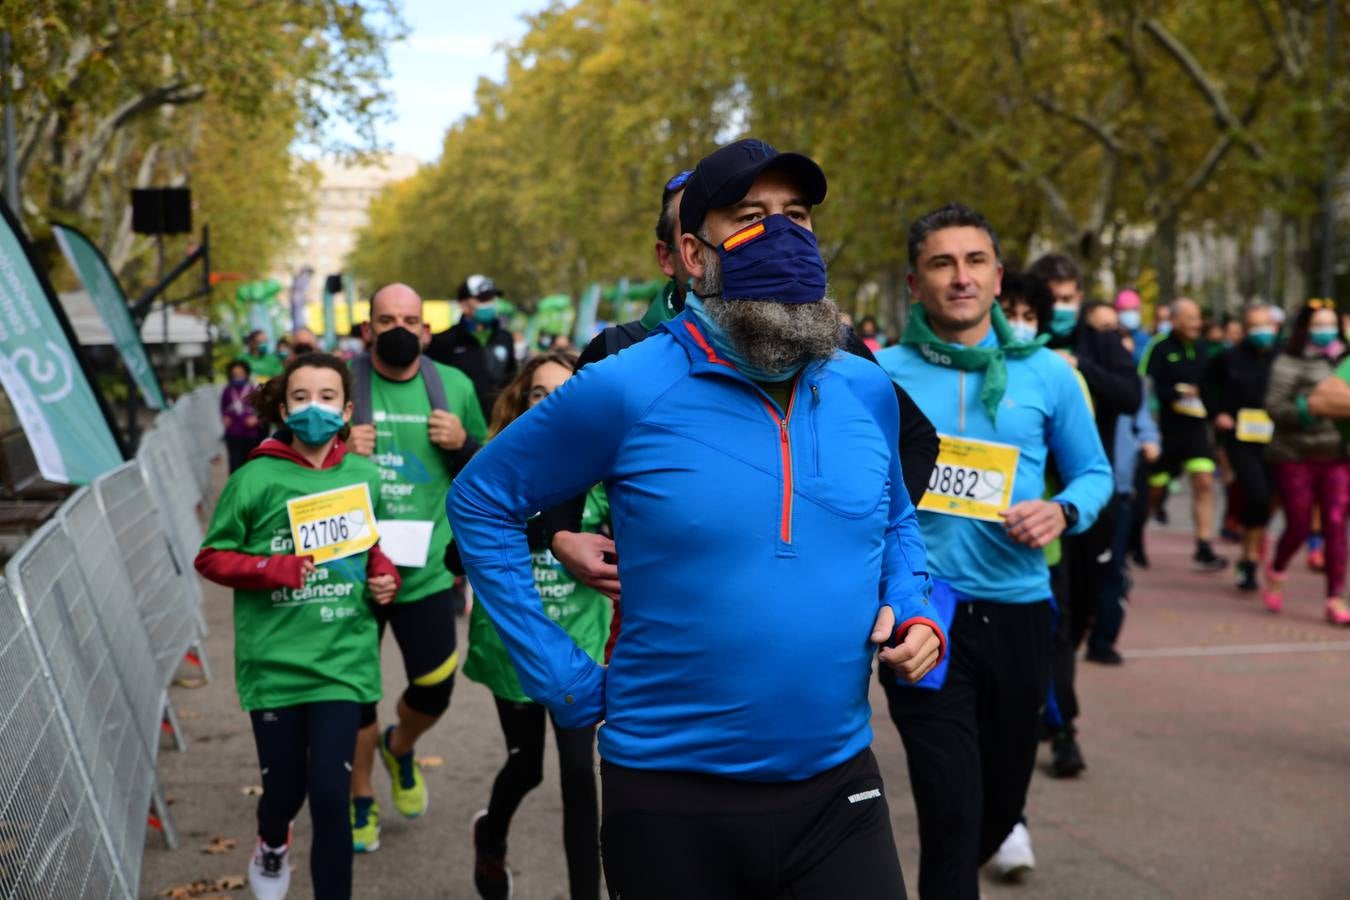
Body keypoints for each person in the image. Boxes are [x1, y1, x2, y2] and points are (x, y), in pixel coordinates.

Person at [450, 138, 943, 900]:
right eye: (751, 218)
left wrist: (914, 610)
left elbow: (895, 522)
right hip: (672, 796)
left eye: (797, 216)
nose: (782, 234)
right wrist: (560, 674)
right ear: (691, 251)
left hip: (840, 786)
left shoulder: (863, 388)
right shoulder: (623, 386)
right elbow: (480, 501)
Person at [874, 203, 1113, 899]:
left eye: (974, 261)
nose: (960, 277)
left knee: (998, 807)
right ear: (913, 284)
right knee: (949, 811)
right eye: (941, 263)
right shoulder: (874, 374)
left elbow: (1095, 473)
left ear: (999, 276)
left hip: (1017, 609)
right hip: (925, 613)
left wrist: (1060, 509)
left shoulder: (1048, 376)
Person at [194, 353, 400, 900]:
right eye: (301, 398)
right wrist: (274, 568)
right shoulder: (254, 478)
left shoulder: (363, 474)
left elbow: (369, 547)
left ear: (347, 409)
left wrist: (383, 577)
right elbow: (212, 557)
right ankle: (271, 838)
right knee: (284, 792)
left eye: (328, 398)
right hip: (276, 663)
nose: (314, 409)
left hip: (341, 658)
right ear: (284, 408)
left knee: (331, 795)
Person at [447, 350, 609, 900]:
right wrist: (542, 534)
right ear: (524, 402)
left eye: (567, 390)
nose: (555, 403)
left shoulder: (603, 468)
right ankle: (490, 836)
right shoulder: (498, 466)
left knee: (578, 777)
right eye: (542, 393)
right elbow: (454, 557)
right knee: (527, 768)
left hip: (579, 644)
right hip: (512, 648)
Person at [345, 283, 489, 852]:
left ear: (427, 331)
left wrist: (462, 442)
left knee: (435, 685)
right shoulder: (340, 384)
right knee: (354, 693)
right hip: (351, 563)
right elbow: (292, 460)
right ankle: (360, 796)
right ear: (367, 329)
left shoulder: (452, 385)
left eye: (410, 318)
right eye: (387, 319)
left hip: (425, 566)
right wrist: (336, 446)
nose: (399, 328)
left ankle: (399, 747)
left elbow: (488, 468)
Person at [1028, 255, 1142, 778]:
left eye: (1072, 296)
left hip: (1095, 500)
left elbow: (1131, 394)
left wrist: (1080, 370)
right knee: (1052, 614)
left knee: (1084, 610)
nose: (1063, 307)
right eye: (1054, 297)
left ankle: (1052, 694)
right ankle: (1061, 724)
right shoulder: (1019, 341)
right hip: (1035, 504)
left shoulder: (1100, 342)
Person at [1261, 300, 1350, 624]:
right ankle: (1278, 568)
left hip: (1336, 455)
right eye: (1318, 325)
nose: (1326, 331)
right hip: (1294, 455)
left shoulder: (1344, 361)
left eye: (1331, 324)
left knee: (1336, 523)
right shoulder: (1288, 362)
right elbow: (1274, 407)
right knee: (1298, 524)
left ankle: (1334, 598)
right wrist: (1310, 407)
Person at [1142, 298, 1228, 571]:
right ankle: (1136, 538)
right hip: (1165, 432)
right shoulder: (1159, 347)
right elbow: (1145, 386)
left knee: (1204, 481)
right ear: (1175, 320)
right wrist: (1176, 393)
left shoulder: (1206, 349)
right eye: (1189, 318)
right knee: (1154, 490)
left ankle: (1204, 547)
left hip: (1196, 431)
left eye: (1197, 318)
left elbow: (1216, 386)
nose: (1195, 324)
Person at [1201, 304, 1280, 590]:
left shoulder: (1281, 357)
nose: (1263, 332)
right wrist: (1217, 413)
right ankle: (1248, 556)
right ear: (1246, 329)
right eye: (1256, 326)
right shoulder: (1228, 357)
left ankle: (1250, 556)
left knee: (1268, 498)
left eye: (1267, 325)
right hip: (1241, 437)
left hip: (1276, 438)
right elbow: (1207, 386)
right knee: (1256, 492)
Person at [427, 274, 519, 420]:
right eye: (483, 299)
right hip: (460, 425)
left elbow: (512, 380)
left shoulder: (505, 338)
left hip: (499, 424)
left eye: (493, 298)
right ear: (464, 305)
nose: (490, 303)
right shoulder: (443, 341)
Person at [222, 359, 265, 472]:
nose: (238, 377)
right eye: (235, 374)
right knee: (235, 465)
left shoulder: (254, 389)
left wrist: (256, 419)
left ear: (246, 374)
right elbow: (223, 407)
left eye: (240, 374)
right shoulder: (228, 390)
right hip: (233, 434)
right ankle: (236, 488)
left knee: (251, 465)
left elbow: (264, 410)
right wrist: (225, 417)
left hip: (252, 434)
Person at [1115, 289, 1150, 364]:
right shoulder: (1111, 336)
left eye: (1134, 309)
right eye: (1125, 309)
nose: (1130, 313)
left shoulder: (1145, 338)